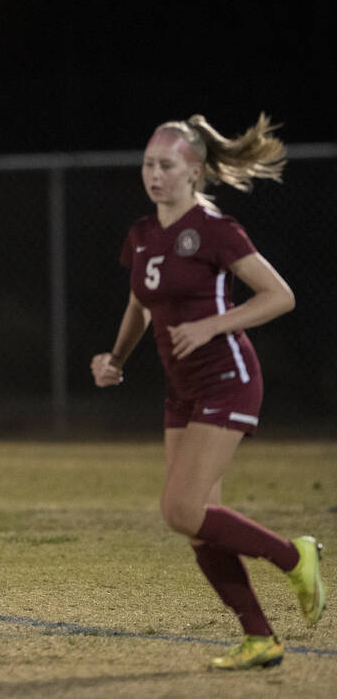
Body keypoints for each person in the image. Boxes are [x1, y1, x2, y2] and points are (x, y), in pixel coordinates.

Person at [90, 114, 325, 670]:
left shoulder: (215, 228)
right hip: (182, 389)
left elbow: (279, 295)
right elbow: (139, 305)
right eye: (148, 164)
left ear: (193, 172)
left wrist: (213, 326)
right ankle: (260, 637)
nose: (154, 174)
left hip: (229, 377)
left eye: (166, 165)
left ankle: (296, 556)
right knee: (199, 522)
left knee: (180, 509)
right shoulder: (143, 233)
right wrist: (116, 358)